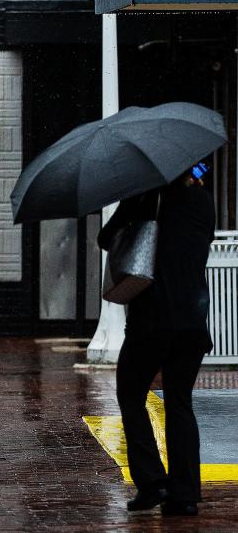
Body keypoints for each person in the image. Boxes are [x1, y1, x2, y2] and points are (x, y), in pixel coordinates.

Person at [98, 163, 215, 516]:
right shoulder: (203, 201)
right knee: (180, 402)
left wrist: (135, 200)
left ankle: (152, 482)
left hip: (152, 319)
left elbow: (106, 238)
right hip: (192, 319)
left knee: (130, 392)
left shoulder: (148, 196)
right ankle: (185, 495)